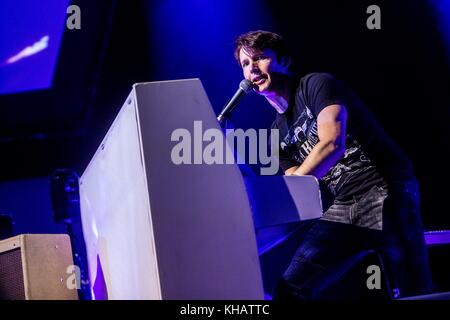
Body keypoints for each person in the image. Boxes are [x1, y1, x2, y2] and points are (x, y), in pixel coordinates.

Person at [234, 30, 433, 299]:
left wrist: (291, 185)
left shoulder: (316, 85)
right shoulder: (275, 134)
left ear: (283, 60)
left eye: (259, 58)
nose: (252, 69)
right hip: (345, 208)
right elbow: (300, 187)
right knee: (290, 290)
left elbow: (331, 145)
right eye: (245, 64)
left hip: (386, 190)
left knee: (414, 293)